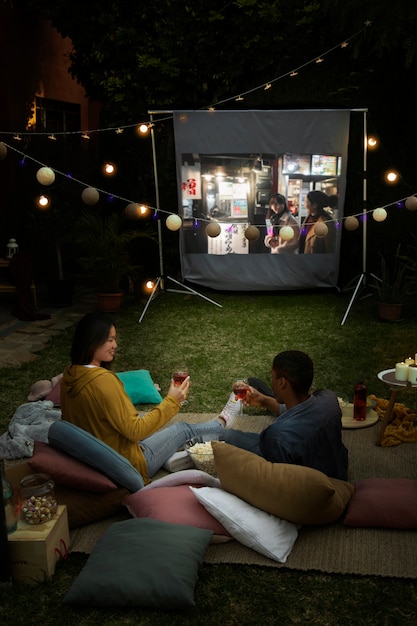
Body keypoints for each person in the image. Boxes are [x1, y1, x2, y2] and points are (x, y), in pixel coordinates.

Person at [60, 312, 240, 484]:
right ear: (92, 342)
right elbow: (135, 431)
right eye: (110, 340)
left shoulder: (71, 375)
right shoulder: (103, 381)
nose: (115, 345)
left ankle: (181, 454)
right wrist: (172, 401)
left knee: (155, 426)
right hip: (128, 465)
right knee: (181, 429)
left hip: (98, 459)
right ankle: (222, 422)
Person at [221, 350, 348, 480]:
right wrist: (264, 400)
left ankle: (221, 421)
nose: (271, 381)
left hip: (308, 490)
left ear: (282, 382)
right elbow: (303, 409)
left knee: (224, 436)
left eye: (272, 377)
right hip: (338, 473)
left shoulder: (276, 435)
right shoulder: (329, 399)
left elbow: (277, 482)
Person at [298, 190, 336, 254]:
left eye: (306, 202)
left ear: (315, 205)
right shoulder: (308, 218)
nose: (304, 204)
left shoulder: (327, 223)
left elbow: (330, 249)